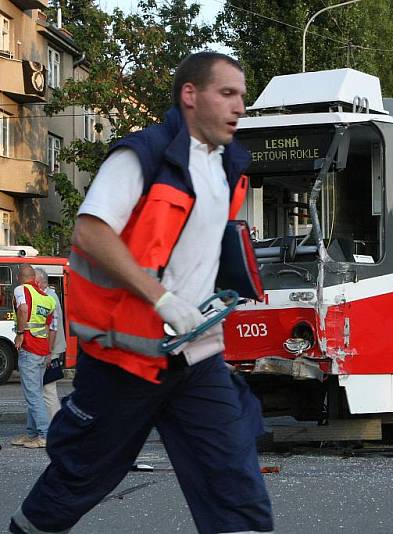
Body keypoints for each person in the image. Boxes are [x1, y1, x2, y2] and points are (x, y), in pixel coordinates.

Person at [10, 52, 273, 534]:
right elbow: (91, 233)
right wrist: (163, 299)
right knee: (81, 477)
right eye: (227, 93)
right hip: (124, 360)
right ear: (190, 96)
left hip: (195, 357)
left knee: (234, 480)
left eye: (242, 95)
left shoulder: (229, 166)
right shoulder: (144, 154)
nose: (240, 107)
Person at [9, 265, 56, 449]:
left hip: (29, 348)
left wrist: (20, 333)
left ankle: (44, 435)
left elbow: (23, 309)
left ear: (21, 277)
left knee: (33, 396)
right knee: (34, 393)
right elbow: (49, 326)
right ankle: (31, 434)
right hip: (42, 350)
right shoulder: (47, 298)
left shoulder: (21, 289)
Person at [34, 268, 66, 422]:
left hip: (49, 349)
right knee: (45, 390)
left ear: (38, 282)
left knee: (48, 390)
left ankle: (56, 426)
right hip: (49, 348)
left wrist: (47, 352)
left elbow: (52, 328)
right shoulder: (49, 295)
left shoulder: (48, 297)